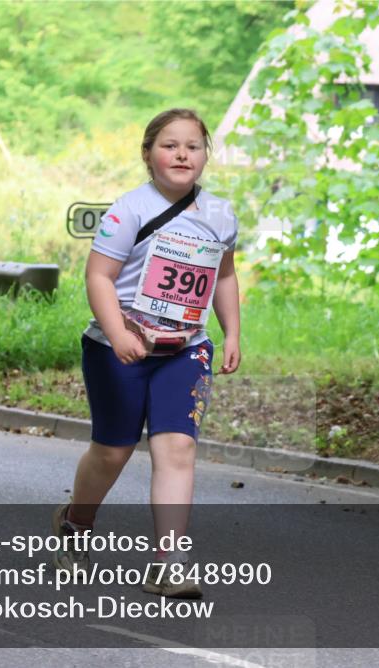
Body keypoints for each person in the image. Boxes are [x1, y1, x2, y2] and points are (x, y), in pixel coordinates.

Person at [53, 109, 241, 599]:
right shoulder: (128, 210)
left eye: (193, 146)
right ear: (148, 154)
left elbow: (223, 276)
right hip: (122, 346)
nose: (182, 154)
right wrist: (118, 334)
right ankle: (76, 525)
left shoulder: (220, 214)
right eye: (170, 145)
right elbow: (98, 277)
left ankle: (168, 562)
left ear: (204, 156)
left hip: (185, 350)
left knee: (177, 448)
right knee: (113, 451)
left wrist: (232, 332)